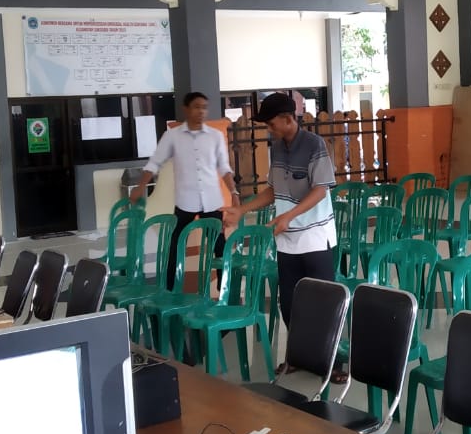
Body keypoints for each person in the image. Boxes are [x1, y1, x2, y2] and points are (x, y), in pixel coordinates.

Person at [224, 92, 342, 379]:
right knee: (289, 304)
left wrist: (289, 215)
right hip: (287, 241)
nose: (270, 129)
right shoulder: (276, 148)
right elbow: (272, 191)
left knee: (324, 303)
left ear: (289, 119)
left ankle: (334, 362)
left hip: (315, 238)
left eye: (272, 124)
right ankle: (301, 356)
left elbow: (321, 189)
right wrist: (243, 210)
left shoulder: (315, 146)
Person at [129, 92, 238, 290]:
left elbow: (224, 167)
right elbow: (155, 163)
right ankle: (170, 289)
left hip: (212, 201)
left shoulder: (214, 136)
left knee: (219, 247)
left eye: (204, 107)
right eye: (196, 106)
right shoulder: (172, 136)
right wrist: (140, 186)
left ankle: (225, 290)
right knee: (175, 246)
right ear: (186, 109)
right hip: (185, 201)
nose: (201, 111)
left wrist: (234, 193)